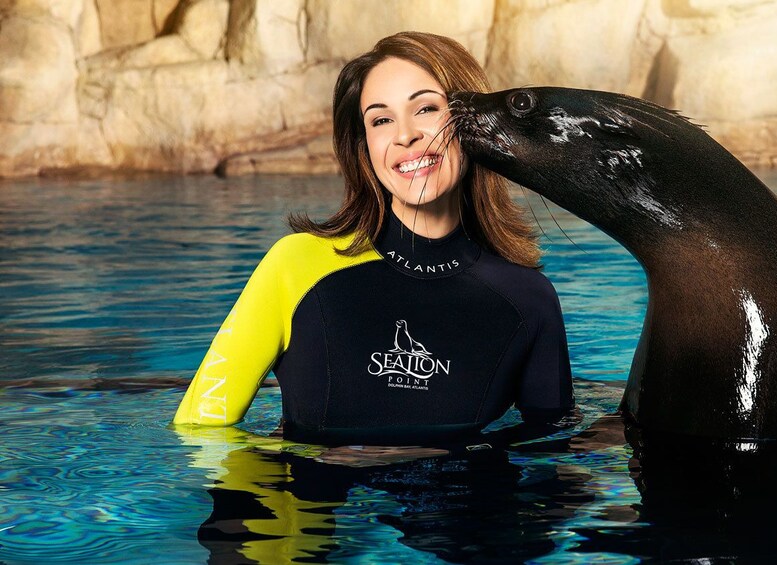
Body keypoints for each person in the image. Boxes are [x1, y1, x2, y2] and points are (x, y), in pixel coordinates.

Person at [173, 31, 575, 447]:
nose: (405, 135)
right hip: (317, 508)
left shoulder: (529, 298)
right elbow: (198, 432)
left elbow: (552, 460)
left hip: (464, 510)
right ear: (364, 147)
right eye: (381, 119)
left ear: (472, 125)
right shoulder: (295, 265)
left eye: (426, 108)